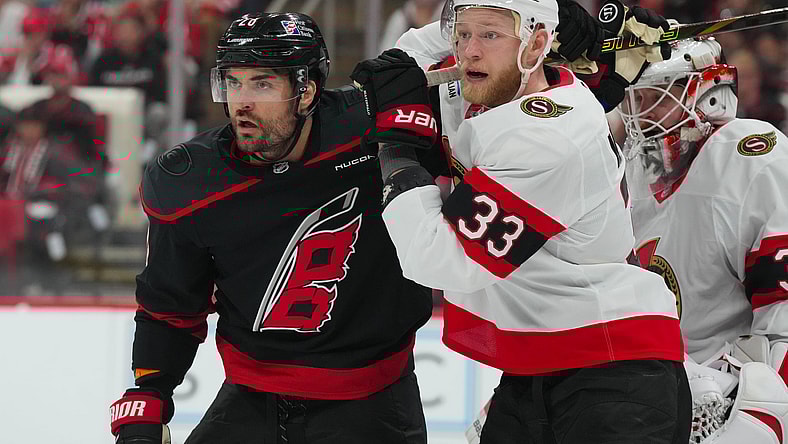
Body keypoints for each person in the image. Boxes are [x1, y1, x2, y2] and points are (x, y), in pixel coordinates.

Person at [350, 0, 692, 442]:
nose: (468, 51)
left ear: (535, 47)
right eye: (462, 34)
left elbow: (439, 259)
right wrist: (547, 12)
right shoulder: (494, 82)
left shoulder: (551, 136)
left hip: (614, 368)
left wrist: (396, 147)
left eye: (489, 35)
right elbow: (410, 54)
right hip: (541, 362)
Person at [108, 12, 433, 444]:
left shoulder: (373, 131)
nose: (241, 101)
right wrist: (148, 394)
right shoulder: (189, 182)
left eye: (261, 83)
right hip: (250, 399)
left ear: (306, 92)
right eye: (233, 82)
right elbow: (170, 307)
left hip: (373, 403)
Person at [617, 37, 788, 443]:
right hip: (678, 401)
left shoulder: (750, 159)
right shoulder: (643, 186)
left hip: (741, 403)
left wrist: (766, 415)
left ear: (708, 99)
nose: (641, 116)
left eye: (655, 99)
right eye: (634, 101)